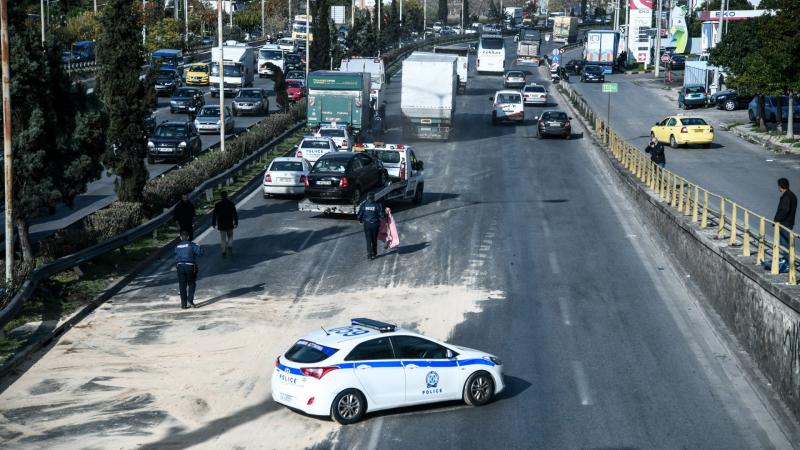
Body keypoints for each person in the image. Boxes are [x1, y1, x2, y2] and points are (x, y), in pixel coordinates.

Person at [773, 178, 797, 270]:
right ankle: (787, 260)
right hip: (789, 222)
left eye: (778, 186)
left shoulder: (786, 197)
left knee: (785, 243)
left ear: (781, 186)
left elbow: (785, 210)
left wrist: (777, 220)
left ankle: (788, 263)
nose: (778, 188)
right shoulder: (792, 195)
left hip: (785, 223)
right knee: (786, 242)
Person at [175, 229, 203, 309]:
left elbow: (176, 255)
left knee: (182, 285)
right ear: (188, 237)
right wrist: (198, 246)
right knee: (191, 283)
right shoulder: (192, 244)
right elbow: (200, 253)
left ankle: (183, 304)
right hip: (190, 266)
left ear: (180, 237)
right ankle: (190, 299)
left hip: (179, 266)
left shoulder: (177, 246)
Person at [357, 192, 385, 260]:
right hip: (375, 224)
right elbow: (382, 215)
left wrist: (360, 220)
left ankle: (369, 254)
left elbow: (359, 215)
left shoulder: (364, 205)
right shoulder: (377, 205)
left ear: (367, 197)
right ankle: (374, 253)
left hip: (367, 224)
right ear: (374, 198)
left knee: (368, 239)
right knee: (374, 239)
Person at [212, 190, 239, 257]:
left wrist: (214, 223)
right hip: (229, 223)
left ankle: (223, 251)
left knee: (223, 239)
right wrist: (236, 222)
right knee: (230, 236)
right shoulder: (231, 204)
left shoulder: (217, 205)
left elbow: (214, 215)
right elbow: (235, 214)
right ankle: (229, 245)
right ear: (227, 196)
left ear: (221, 197)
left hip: (221, 225)